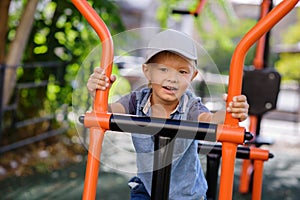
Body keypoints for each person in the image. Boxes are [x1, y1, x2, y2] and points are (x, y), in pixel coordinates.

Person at [87, 29, 249, 200]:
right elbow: (107, 111)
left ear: (193, 76)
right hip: (147, 189)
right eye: (163, 69)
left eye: (182, 72)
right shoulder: (137, 100)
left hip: (187, 195)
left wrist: (231, 113)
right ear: (147, 71)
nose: (172, 78)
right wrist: (97, 94)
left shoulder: (191, 106)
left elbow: (210, 121)